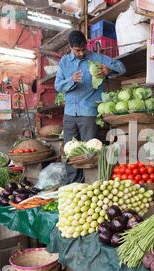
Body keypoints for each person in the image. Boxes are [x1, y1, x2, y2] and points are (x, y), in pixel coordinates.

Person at [55, 30, 126, 183]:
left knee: (90, 152)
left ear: (86, 45)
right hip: (69, 114)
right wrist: (71, 80)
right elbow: (58, 86)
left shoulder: (97, 58)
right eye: (77, 50)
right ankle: (73, 185)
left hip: (88, 112)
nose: (81, 53)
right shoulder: (65, 62)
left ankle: (90, 184)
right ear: (70, 47)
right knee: (70, 151)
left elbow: (121, 67)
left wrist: (109, 70)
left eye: (83, 49)